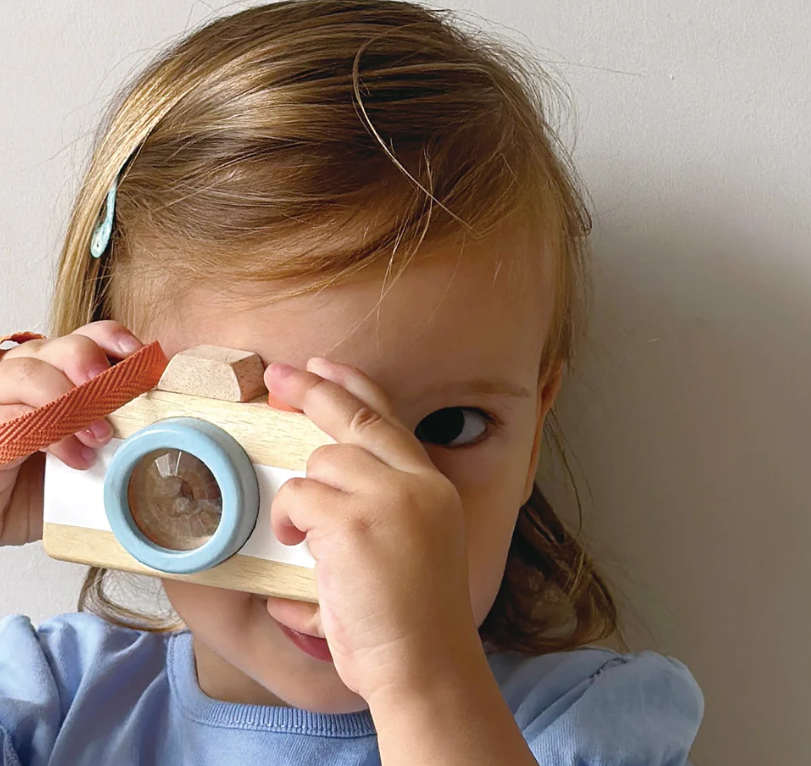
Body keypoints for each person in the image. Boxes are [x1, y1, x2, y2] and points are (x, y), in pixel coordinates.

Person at [0, 1, 703, 764]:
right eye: (254, 437)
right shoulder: (48, 700)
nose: (339, 531)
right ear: (120, 419)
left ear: (533, 436)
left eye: (447, 427)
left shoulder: (582, 722)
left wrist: (422, 677)